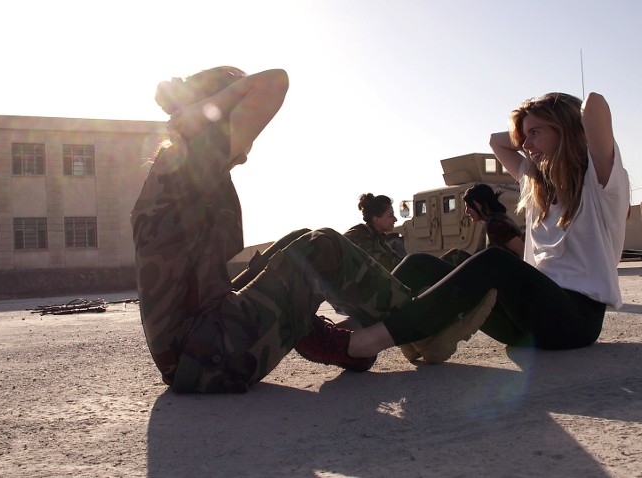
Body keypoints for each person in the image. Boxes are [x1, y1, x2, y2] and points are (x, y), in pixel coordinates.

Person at [131, 66, 499, 393]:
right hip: (210, 354)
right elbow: (274, 81)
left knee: (295, 242)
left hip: (200, 350)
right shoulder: (197, 151)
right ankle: (419, 329)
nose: (251, 140)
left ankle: (342, 343)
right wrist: (197, 112)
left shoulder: (177, 170)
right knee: (321, 245)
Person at [394, 91, 629, 353]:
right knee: (418, 264)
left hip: (574, 322)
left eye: (535, 133)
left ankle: (389, 335)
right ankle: (354, 327)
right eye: (524, 137)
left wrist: (558, 121)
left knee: (495, 259)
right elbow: (496, 141)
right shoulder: (537, 185)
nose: (525, 144)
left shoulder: (599, 182)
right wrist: (533, 131)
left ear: (565, 129)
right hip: (524, 322)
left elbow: (594, 103)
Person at [344, 193, 404, 272]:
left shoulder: (377, 238)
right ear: (376, 219)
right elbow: (387, 266)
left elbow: (395, 259)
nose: (395, 219)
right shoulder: (360, 238)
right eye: (390, 215)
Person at [463, 183, 525, 258]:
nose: (466, 211)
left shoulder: (495, 225)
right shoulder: (498, 219)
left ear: (481, 203)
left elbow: (521, 250)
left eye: (469, 206)